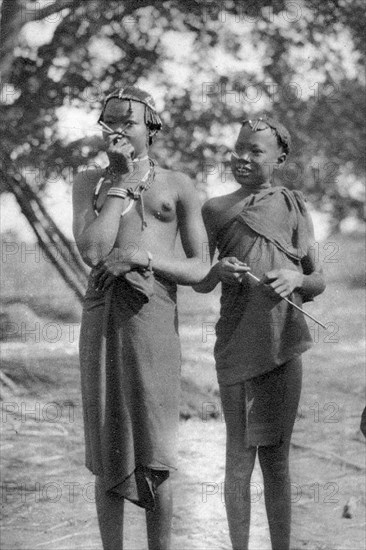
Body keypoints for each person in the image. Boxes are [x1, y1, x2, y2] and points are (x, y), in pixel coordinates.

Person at [72, 85, 208, 550]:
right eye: (108, 121)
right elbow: (92, 250)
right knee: (109, 449)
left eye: (126, 121)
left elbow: (200, 266)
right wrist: (119, 183)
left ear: (150, 126)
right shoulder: (88, 182)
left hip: (153, 324)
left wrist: (141, 257)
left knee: (156, 451)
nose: (116, 130)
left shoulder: (178, 185)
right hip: (103, 322)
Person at [194, 114, 326, 550]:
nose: (243, 158)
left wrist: (295, 281)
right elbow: (198, 276)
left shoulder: (292, 205)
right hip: (235, 343)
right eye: (239, 149)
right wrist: (217, 270)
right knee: (238, 456)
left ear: (280, 158)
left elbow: (317, 278)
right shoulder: (215, 209)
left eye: (256, 151)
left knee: (277, 460)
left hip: (283, 343)